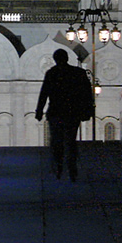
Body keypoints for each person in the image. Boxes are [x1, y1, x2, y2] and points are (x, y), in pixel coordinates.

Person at [35, 49, 93, 181]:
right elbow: (87, 94)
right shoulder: (78, 73)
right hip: (73, 113)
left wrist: (39, 111)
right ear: (67, 58)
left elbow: (44, 93)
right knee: (71, 140)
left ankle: (59, 168)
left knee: (57, 140)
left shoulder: (52, 73)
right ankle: (72, 169)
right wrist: (88, 111)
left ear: (55, 60)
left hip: (56, 112)